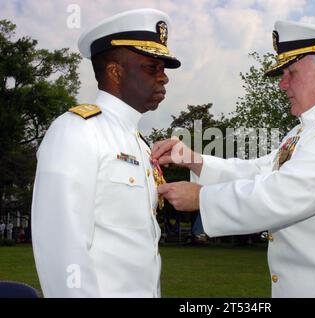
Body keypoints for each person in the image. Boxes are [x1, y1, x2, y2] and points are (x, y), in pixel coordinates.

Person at [152, 21, 315, 297]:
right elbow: (261, 172)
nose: (282, 84)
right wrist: (194, 160)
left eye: (291, 72)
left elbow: (284, 193)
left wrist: (202, 198)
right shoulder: (307, 130)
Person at [31, 8, 181, 297]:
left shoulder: (138, 141)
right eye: (152, 67)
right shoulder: (77, 131)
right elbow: (62, 248)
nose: (164, 79)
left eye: (163, 69)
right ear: (115, 71)